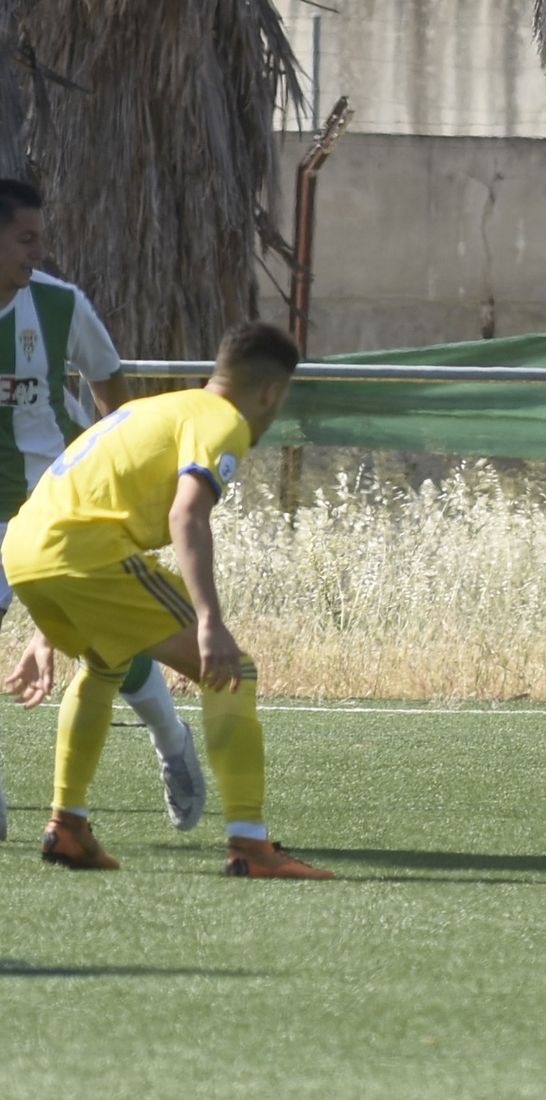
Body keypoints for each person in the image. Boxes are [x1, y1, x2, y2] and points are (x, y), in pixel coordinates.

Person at [2, 319, 332, 878]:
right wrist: (210, 621)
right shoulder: (223, 421)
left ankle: (69, 827)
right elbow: (187, 513)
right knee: (233, 671)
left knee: (107, 663)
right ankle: (250, 846)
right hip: (83, 553)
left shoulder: (161, 408)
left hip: (26, 550)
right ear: (272, 392)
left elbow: (80, 500)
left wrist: (45, 623)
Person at [0, 178, 202, 842]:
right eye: (25, 238)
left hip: (57, 510)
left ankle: (172, 740)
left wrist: (123, 492)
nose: (38, 251)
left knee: (108, 646)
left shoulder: (58, 306)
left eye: (39, 236)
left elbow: (116, 399)